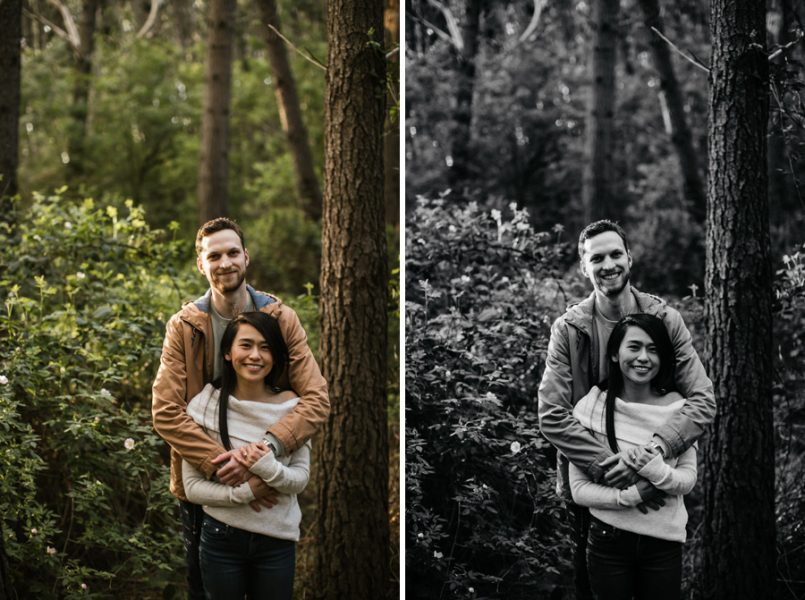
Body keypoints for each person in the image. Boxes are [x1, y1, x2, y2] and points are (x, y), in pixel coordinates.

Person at [152, 217, 329, 599]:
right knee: (203, 588)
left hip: (272, 479)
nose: (225, 262)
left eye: (233, 252)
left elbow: (316, 399)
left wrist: (264, 453)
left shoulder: (280, 319)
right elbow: (166, 410)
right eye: (214, 255)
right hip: (206, 481)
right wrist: (224, 467)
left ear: (246, 257)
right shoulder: (184, 326)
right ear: (201, 264)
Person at [537, 219, 714, 600]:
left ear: (629, 258)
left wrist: (654, 454)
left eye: (616, 254)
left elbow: (702, 400)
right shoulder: (569, 329)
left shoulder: (665, 321)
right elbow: (551, 413)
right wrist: (607, 466)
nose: (608, 265)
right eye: (596, 258)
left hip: (658, 489)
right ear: (584, 268)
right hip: (594, 487)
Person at [182, 311, 308, 600]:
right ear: (228, 353)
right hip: (220, 539)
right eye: (246, 345)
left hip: (277, 541)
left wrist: (267, 468)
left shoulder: (294, 409)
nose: (256, 355)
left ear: (276, 355)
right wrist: (246, 492)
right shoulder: (205, 405)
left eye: (265, 347)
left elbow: (300, 479)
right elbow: (192, 487)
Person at [569, 313, 696, 599]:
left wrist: (655, 471)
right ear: (615, 354)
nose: (643, 357)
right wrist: (633, 495)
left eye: (653, 349)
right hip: (608, 540)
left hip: (663, 543)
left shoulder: (680, 410)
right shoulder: (591, 407)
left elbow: (688, 480)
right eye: (634, 347)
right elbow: (578, 490)